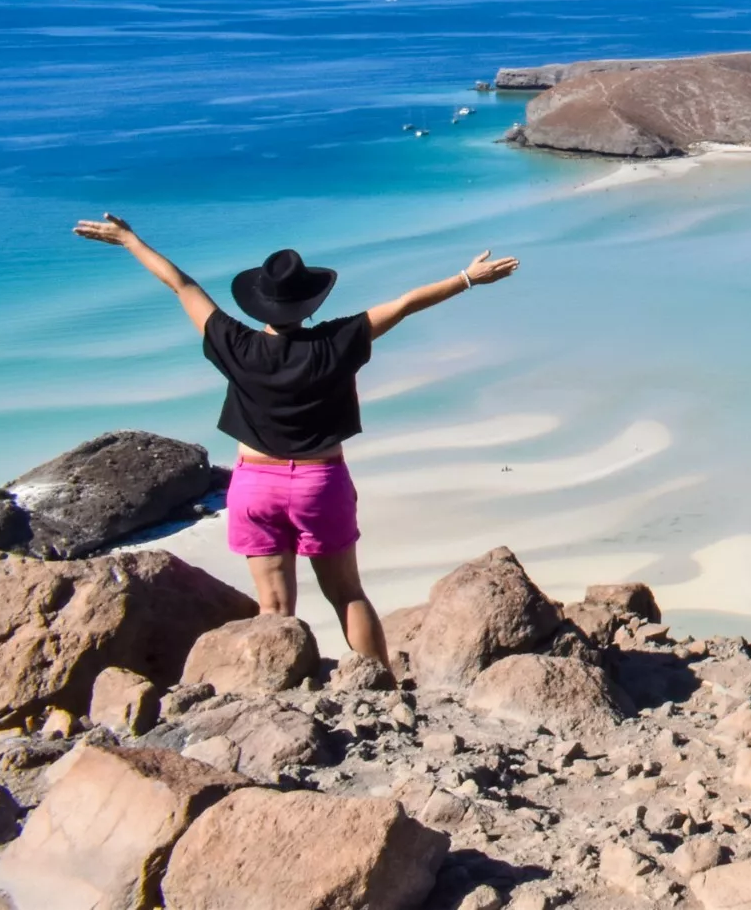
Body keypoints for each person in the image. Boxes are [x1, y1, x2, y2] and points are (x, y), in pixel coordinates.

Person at [72, 212, 517, 670]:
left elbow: (183, 287)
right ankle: (380, 687)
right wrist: (467, 278)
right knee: (347, 595)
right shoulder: (337, 341)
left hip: (254, 487)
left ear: (258, 305)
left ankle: (276, 690)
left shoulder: (235, 344)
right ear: (309, 305)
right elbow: (404, 304)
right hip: (319, 483)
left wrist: (130, 240)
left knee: (274, 608)